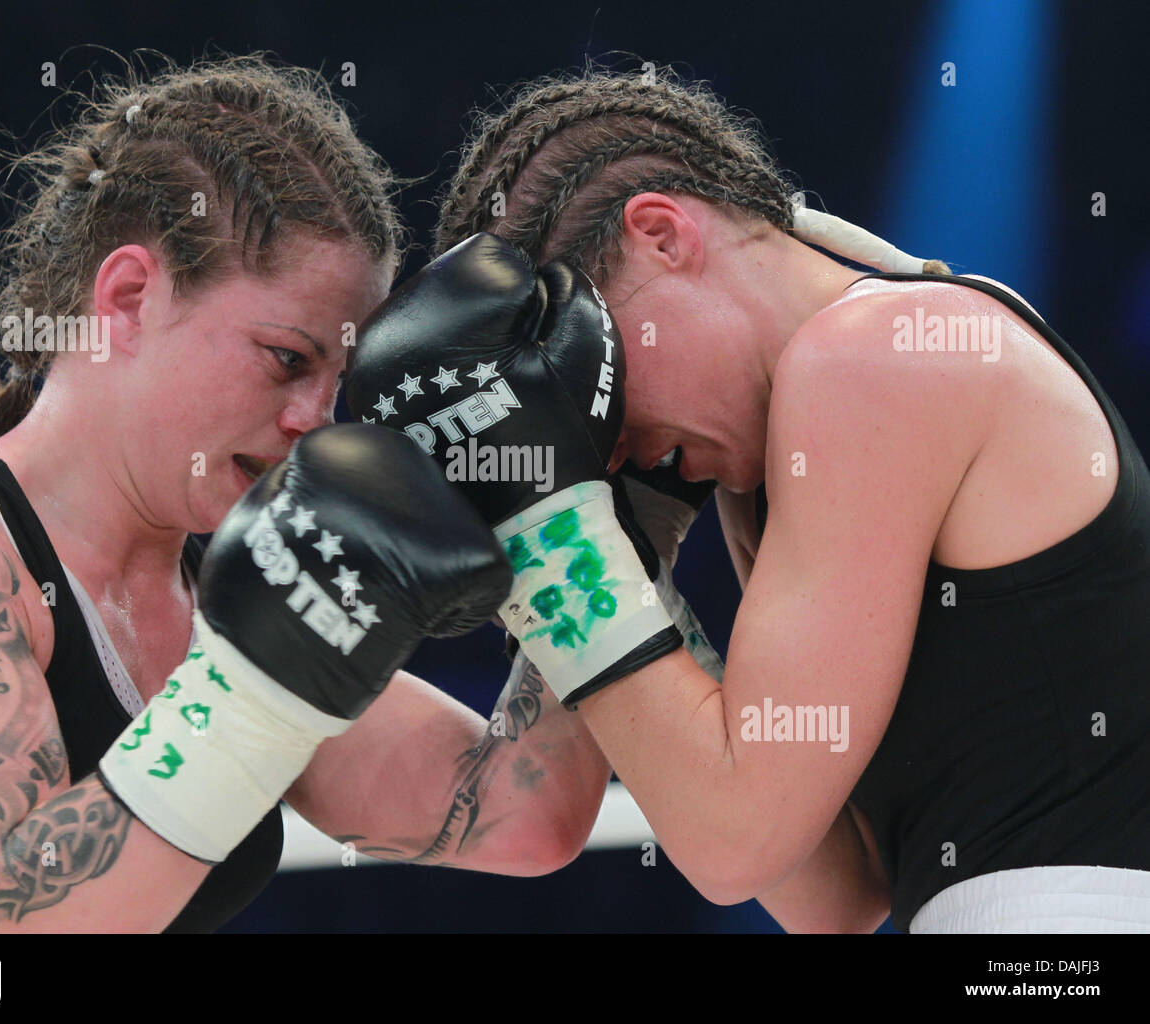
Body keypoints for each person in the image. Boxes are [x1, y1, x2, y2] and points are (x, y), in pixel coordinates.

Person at [347, 67, 1150, 933]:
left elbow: (733, 842)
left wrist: (543, 525)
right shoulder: (769, 473)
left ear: (661, 234)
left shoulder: (874, 354)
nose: (607, 442)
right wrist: (631, 542)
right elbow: (836, 894)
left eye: (596, 383)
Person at [0, 55, 612, 934]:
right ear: (130, 297)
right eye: (287, 359)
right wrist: (253, 695)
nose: (316, 423)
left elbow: (523, 816)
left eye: (339, 381)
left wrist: (584, 506)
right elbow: (17, 920)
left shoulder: (230, 586)